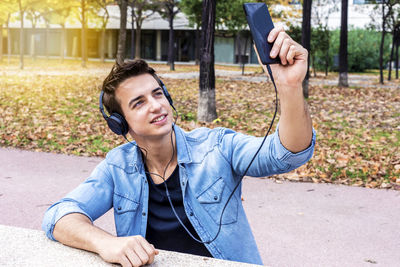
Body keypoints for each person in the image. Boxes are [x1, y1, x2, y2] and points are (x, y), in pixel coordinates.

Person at [42, 26, 316, 267]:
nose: (156, 105)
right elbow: (58, 216)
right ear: (120, 124)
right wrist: (106, 243)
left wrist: (289, 87)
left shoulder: (217, 146)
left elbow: (286, 154)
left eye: (158, 94)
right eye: (139, 102)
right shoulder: (117, 167)